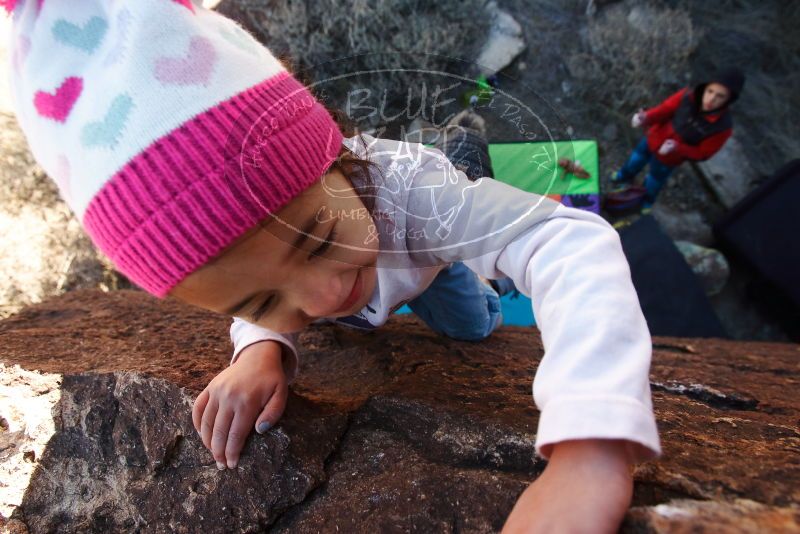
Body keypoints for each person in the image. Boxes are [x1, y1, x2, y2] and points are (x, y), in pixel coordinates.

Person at [5, 1, 660, 531]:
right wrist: (259, 348)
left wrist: (591, 445)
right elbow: (264, 290)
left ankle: (473, 217)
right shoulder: (299, 272)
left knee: (474, 328)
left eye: (317, 238)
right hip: (389, 268)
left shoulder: (414, 196)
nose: (322, 299)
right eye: (260, 303)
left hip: (427, 262)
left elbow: (572, 242)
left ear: (337, 162)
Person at [611, 68, 746, 209]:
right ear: (705, 88)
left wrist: (677, 148)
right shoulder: (687, 96)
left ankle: (646, 202)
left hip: (670, 158)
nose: (711, 99)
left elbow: (703, 153)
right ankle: (623, 177)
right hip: (653, 137)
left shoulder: (723, 128)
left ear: (729, 100)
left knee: (654, 180)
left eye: (720, 96)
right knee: (635, 160)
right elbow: (664, 109)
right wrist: (646, 117)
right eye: (710, 91)